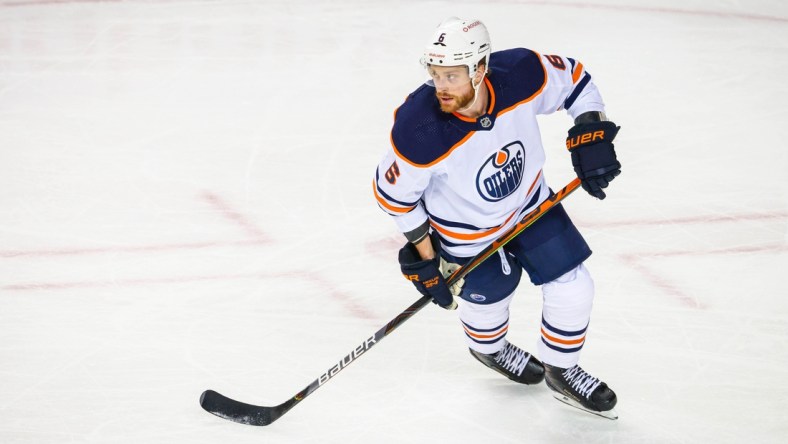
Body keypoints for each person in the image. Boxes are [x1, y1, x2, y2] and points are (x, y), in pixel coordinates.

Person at [373, 17, 621, 418]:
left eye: (452, 75)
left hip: (531, 206)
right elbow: (393, 196)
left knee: (574, 287)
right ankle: (489, 351)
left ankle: (562, 368)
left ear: (480, 68)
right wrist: (426, 255)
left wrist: (591, 131)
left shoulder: (520, 74)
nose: (441, 87)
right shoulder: (419, 128)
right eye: (435, 75)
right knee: (489, 306)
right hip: (467, 236)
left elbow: (576, 81)